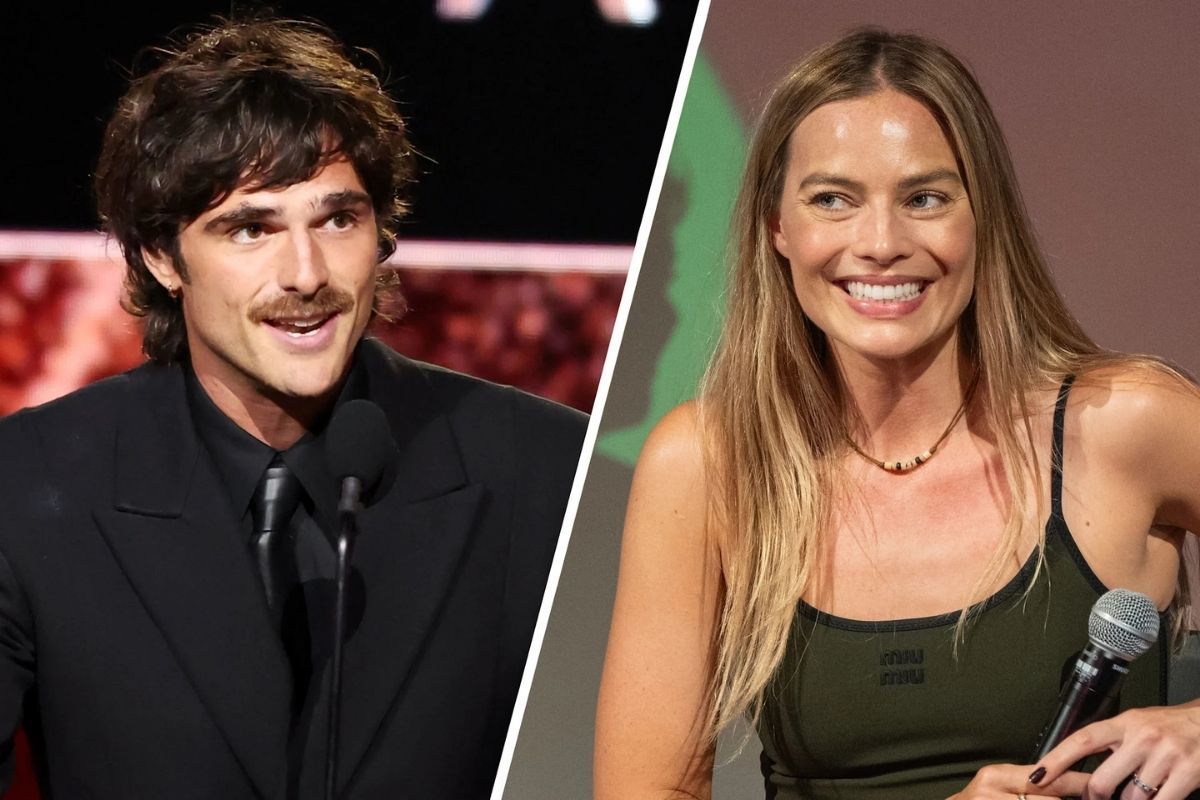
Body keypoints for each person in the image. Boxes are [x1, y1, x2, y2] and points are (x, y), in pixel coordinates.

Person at [595, 27, 1200, 800]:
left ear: (985, 216)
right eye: (833, 201)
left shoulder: (1125, 423)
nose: (881, 243)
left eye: (925, 198)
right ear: (777, 227)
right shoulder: (708, 464)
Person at [0, 16, 586, 799]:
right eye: (250, 228)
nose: (307, 274)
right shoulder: (30, 486)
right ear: (161, 257)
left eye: (338, 219)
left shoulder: (546, 474)